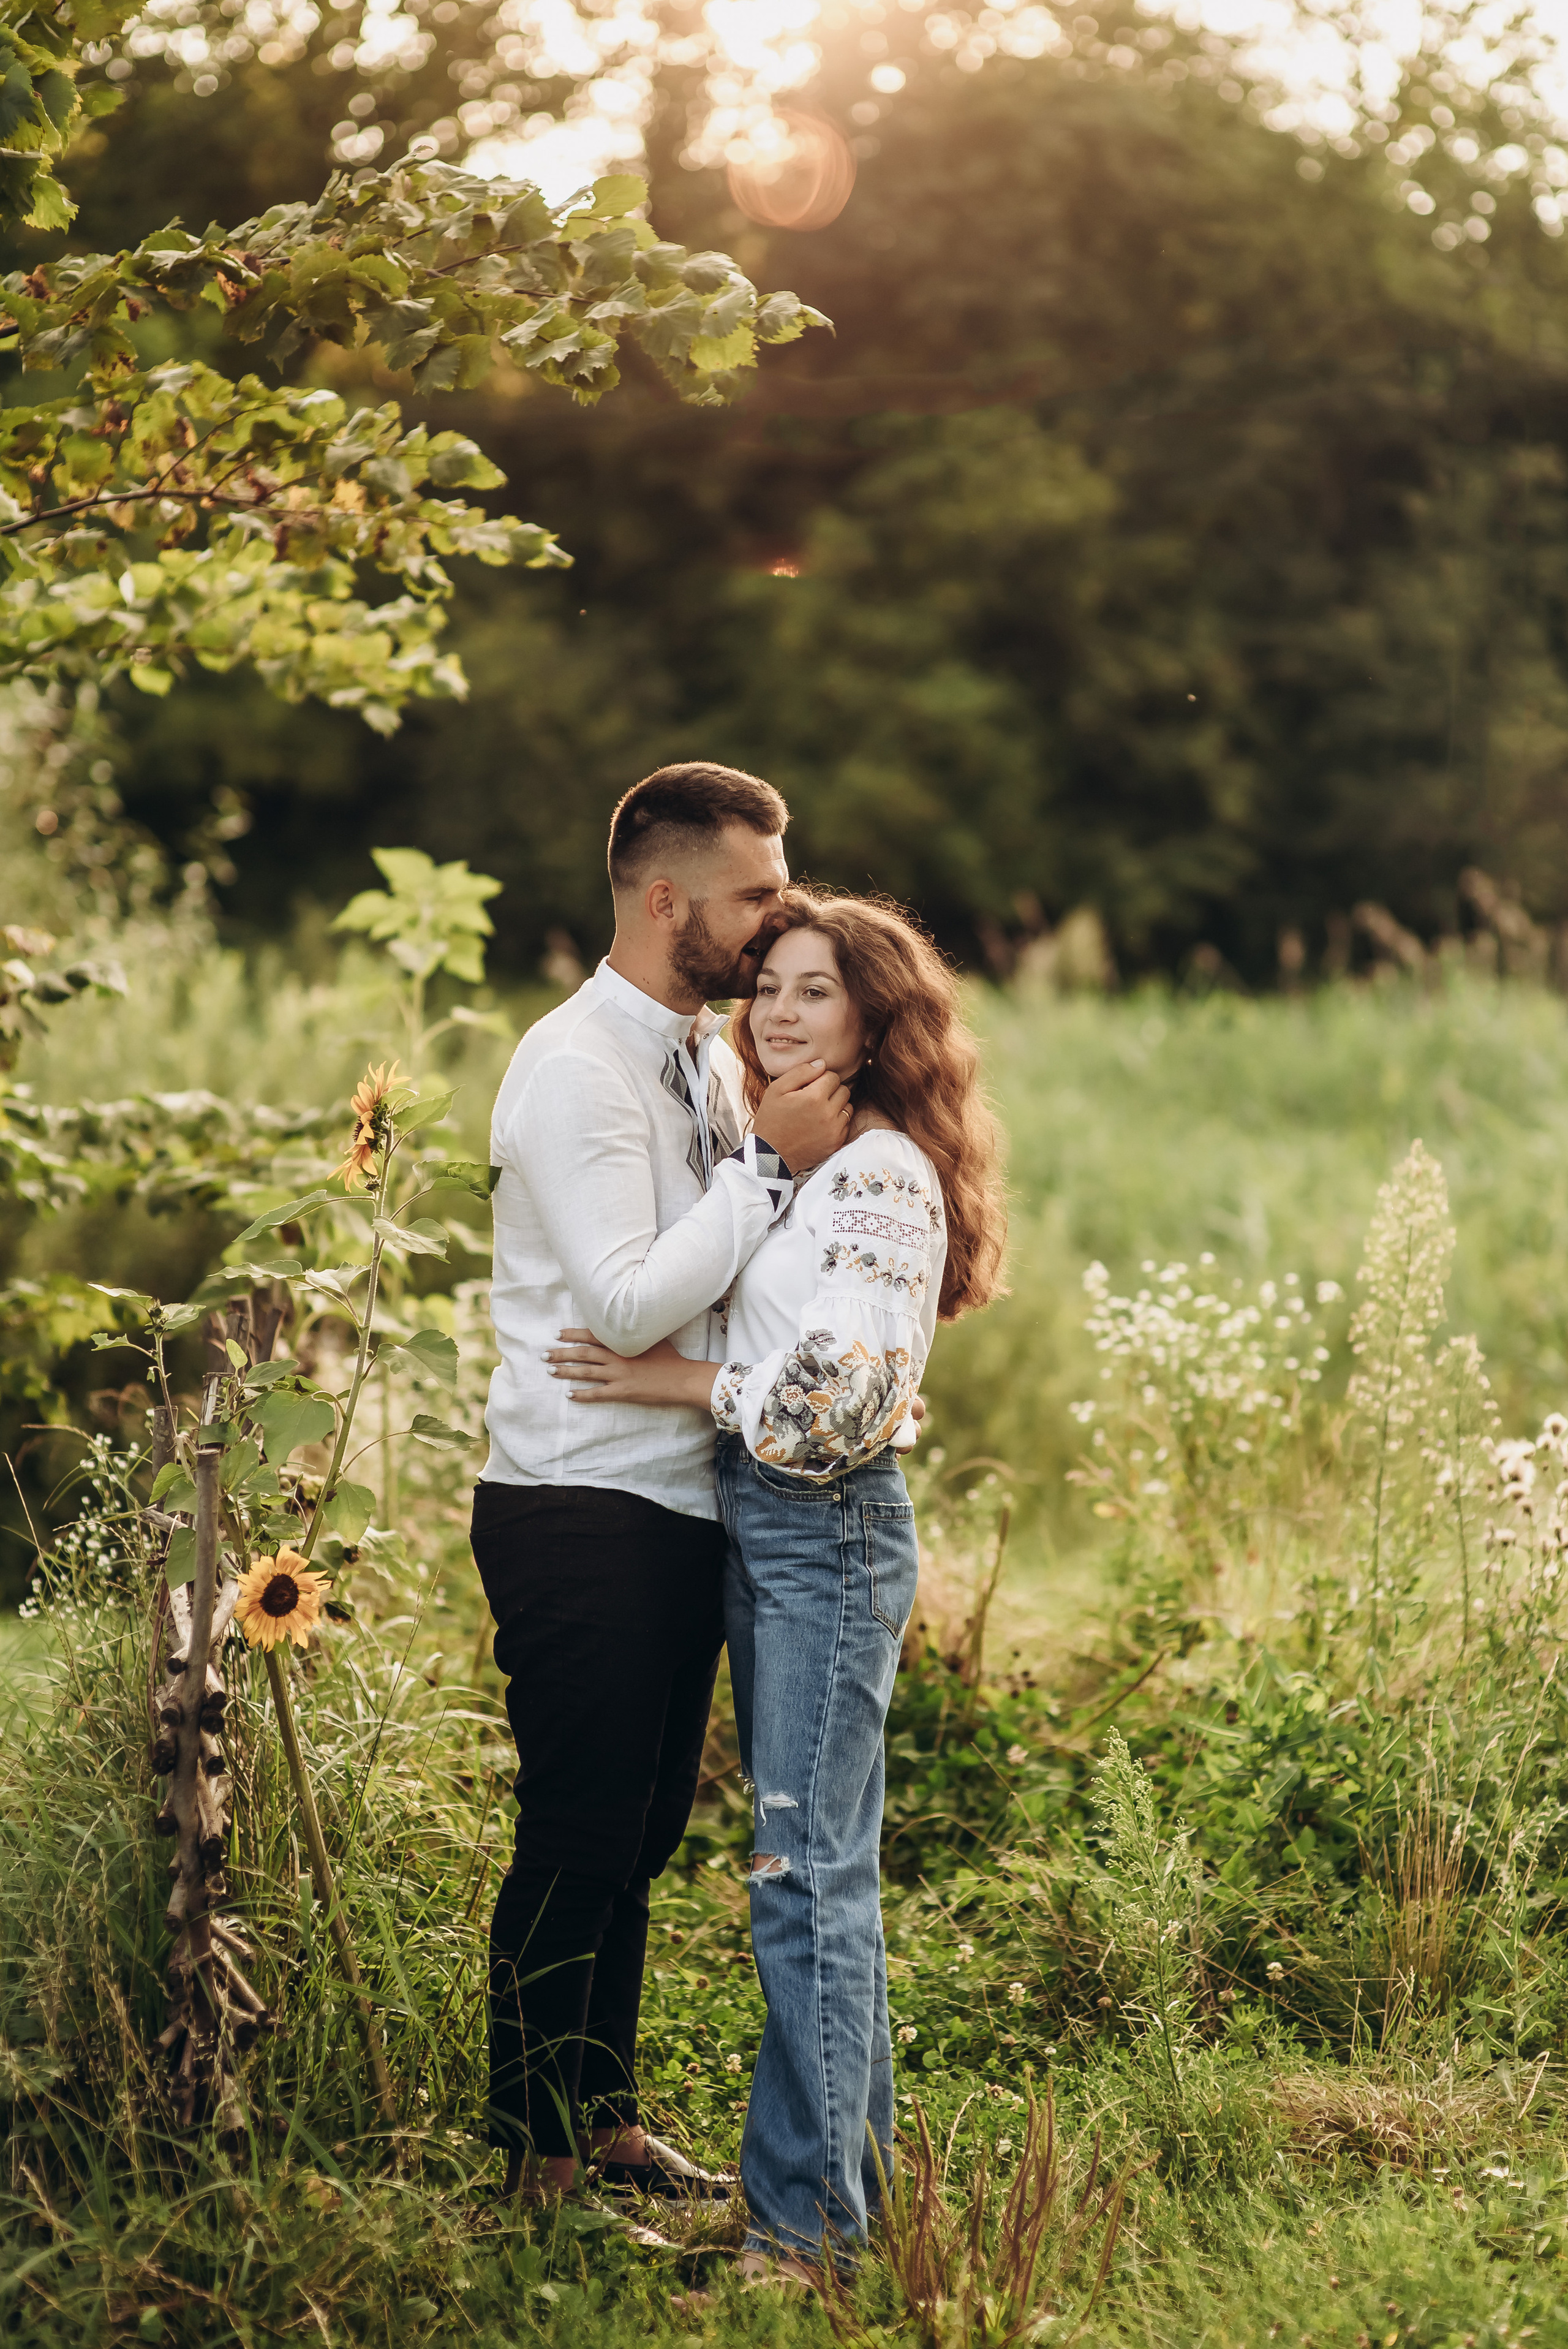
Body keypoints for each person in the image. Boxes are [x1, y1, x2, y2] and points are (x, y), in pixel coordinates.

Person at [548, 887, 1007, 2278]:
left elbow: (837, 1406)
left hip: (822, 1526)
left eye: (816, 988)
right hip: (775, 1525)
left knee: (802, 1881)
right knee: (818, 1876)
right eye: (771, 985)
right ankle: (832, 2218)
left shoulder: (872, 1173)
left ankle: (803, 2241)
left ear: (876, 1021)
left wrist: (678, 1380)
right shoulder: (806, 1163)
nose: (780, 1009)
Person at [473, 763, 857, 2204]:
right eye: (755, 892)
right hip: (577, 1501)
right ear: (664, 897)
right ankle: (533, 2164)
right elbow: (627, 1304)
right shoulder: (573, 1067)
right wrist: (766, 1162)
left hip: (676, 1492)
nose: (775, 921)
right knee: (576, 1829)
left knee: (636, 1833)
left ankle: (606, 2122)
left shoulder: (696, 1052)